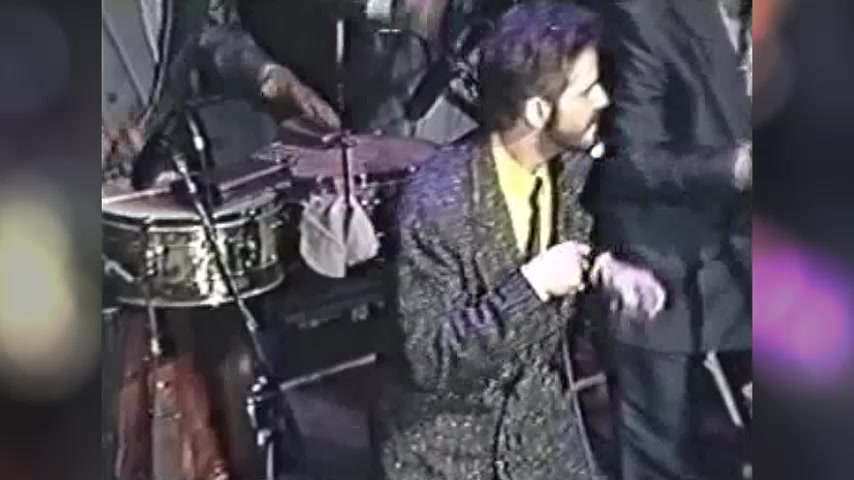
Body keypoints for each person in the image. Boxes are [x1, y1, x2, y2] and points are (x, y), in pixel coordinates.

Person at [376, 3, 666, 479]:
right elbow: (431, 362)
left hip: (538, 424)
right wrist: (531, 287)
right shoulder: (437, 204)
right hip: (449, 446)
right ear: (537, 110)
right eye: (586, 90)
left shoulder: (570, 166)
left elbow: (571, 257)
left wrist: (602, 270)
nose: (603, 99)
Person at [587, 0, 752, 478]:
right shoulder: (647, 16)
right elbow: (631, 162)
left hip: (761, 261)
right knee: (660, 457)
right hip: (665, 256)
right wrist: (734, 168)